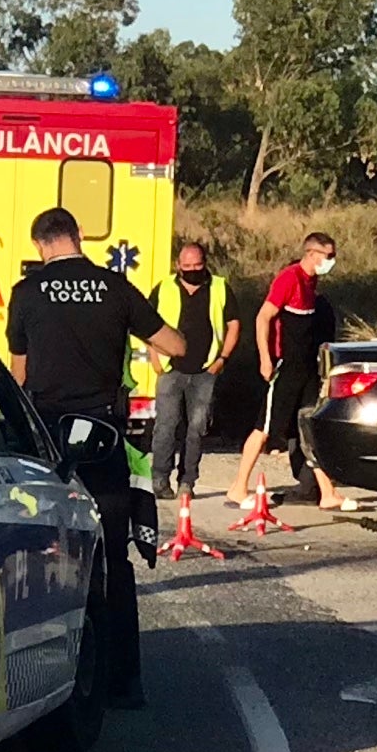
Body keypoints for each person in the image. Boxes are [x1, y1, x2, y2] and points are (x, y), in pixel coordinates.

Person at [5, 206, 180, 709]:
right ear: (78, 237)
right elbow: (176, 343)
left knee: (42, 557)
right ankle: (124, 682)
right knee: (112, 560)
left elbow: (19, 375)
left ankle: (43, 676)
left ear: (41, 244)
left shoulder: (27, 294)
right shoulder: (116, 288)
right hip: (103, 439)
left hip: (51, 441)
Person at [228, 229, 342, 530]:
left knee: (308, 425)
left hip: (305, 367)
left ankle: (327, 492)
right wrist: (265, 358)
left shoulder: (311, 283)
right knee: (265, 427)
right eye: (327, 256)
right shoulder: (288, 278)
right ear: (312, 254)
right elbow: (263, 317)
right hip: (285, 365)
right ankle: (238, 486)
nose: (331, 262)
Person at [144, 236, 230, 554]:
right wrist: (154, 356)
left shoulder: (219, 288)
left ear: (205, 265)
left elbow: (233, 324)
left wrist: (221, 360)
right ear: (177, 265)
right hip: (171, 368)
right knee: (165, 426)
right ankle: (160, 480)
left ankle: (187, 481)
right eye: (187, 266)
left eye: (198, 266)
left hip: (205, 370)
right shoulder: (164, 288)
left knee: (196, 428)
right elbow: (148, 323)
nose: (192, 270)